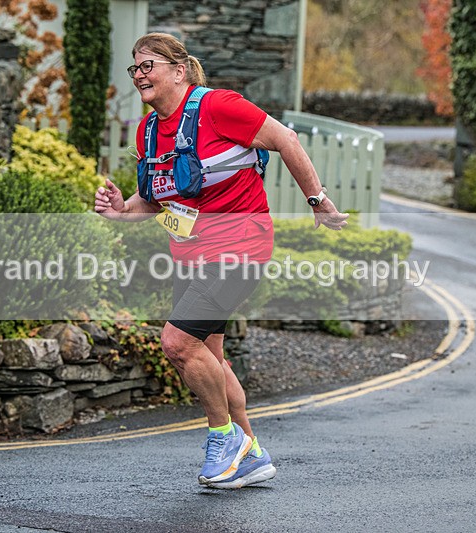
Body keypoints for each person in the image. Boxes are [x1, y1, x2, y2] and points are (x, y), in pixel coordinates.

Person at [95, 33, 349, 489]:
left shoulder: (219, 107)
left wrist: (318, 200)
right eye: (134, 68)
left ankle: (223, 438)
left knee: (176, 342)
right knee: (209, 355)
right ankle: (250, 449)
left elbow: (286, 139)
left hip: (240, 249)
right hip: (190, 257)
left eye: (147, 65)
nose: (139, 75)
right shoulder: (148, 130)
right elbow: (159, 200)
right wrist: (122, 209)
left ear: (179, 70)